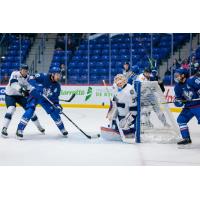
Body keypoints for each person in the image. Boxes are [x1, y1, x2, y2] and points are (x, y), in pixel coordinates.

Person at [16, 67, 68, 139]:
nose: (59, 77)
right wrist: (37, 87)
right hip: (35, 95)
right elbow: (31, 78)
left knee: (54, 112)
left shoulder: (57, 86)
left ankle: (62, 129)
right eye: (57, 75)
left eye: (60, 75)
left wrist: (57, 105)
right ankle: (19, 129)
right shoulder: (43, 76)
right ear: (52, 74)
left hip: (45, 99)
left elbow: (55, 99)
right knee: (30, 111)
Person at [1, 64, 44, 138]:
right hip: (10, 95)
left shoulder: (28, 77)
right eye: (23, 70)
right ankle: (4, 128)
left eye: (26, 71)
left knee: (30, 111)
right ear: (20, 70)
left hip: (20, 96)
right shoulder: (15, 74)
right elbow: (13, 84)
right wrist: (22, 91)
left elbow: (30, 87)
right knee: (11, 109)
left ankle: (39, 127)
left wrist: (37, 92)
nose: (25, 72)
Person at [101, 74, 137, 141]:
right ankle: (117, 129)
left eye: (120, 83)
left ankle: (131, 133)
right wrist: (113, 103)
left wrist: (130, 119)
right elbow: (116, 98)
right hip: (120, 112)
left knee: (123, 125)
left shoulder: (129, 90)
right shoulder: (116, 87)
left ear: (124, 81)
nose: (119, 85)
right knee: (111, 117)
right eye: (117, 83)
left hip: (129, 113)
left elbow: (133, 108)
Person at [174, 68, 200, 145]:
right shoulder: (177, 87)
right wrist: (178, 102)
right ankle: (186, 138)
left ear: (183, 75)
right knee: (181, 120)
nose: (176, 77)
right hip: (188, 107)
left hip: (198, 105)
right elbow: (179, 100)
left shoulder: (192, 80)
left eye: (177, 76)